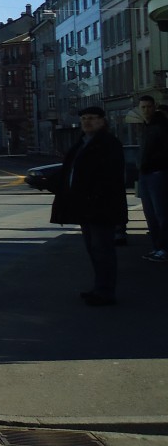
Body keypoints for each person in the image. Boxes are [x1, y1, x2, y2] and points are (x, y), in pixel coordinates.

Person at [45, 106, 128, 306]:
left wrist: (94, 195)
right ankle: (99, 288)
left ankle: (106, 291)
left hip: (101, 206)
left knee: (102, 250)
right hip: (85, 206)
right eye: (83, 118)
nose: (86, 122)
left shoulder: (108, 143)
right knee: (93, 249)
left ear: (102, 121)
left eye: (91, 118)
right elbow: (71, 171)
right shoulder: (82, 143)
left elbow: (109, 176)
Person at [136, 95, 168, 262]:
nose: (146, 110)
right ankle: (157, 248)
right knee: (151, 214)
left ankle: (163, 249)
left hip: (157, 173)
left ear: (154, 107)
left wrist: (152, 164)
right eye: (143, 107)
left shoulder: (161, 126)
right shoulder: (145, 126)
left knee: (161, 213)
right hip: (146, 174)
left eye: (148, 107)